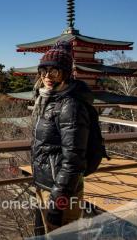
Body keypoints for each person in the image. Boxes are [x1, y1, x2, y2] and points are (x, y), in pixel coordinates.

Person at [31, 40, 93, 234]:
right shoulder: (49, 99)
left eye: (54, 71)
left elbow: (73, 159)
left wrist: (58, 203)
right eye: (43, 71)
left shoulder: (70, 106)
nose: (47, 76)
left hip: (61, 191)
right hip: (47, 183)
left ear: (65, 73)